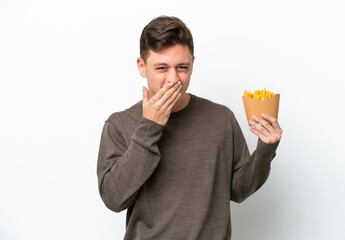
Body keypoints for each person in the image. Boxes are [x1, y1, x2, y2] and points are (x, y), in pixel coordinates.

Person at [97, 15, 282, 240]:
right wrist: (150, 127)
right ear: (142, 67)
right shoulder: (119, 124)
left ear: (193, 64)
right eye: (162, 68)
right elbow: (114, 199)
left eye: (182, 67)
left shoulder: (221, 119)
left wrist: (265, 149)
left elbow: (238, 191)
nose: (174, 79)